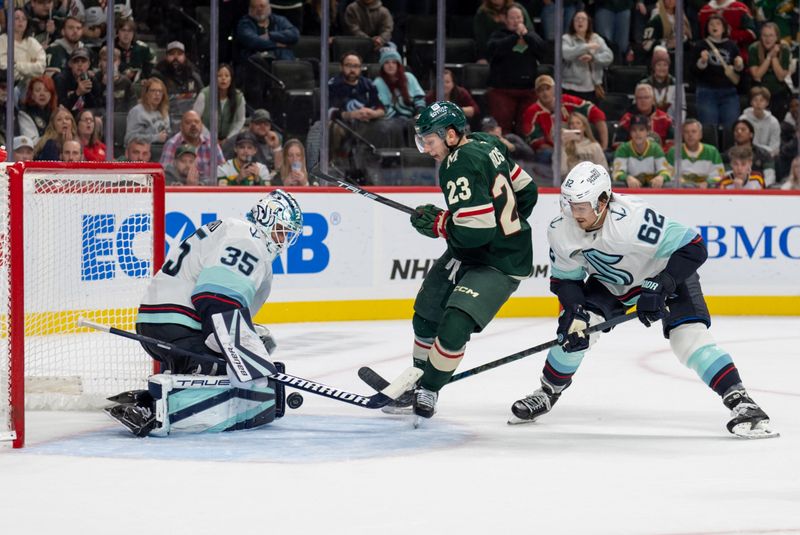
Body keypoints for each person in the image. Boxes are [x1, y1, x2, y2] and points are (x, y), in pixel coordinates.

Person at [509, 161, 776, 439]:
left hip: (663, 275)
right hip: (610, 283)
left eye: (580, 206)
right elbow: (566, 280)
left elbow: (694, 247)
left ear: (602, 201)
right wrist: (575, 311)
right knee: (575, 333)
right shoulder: (561, 228)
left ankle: (740, 400)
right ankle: (548, 391)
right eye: (568, 204)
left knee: (688, 339)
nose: (572, 213)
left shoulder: (634, 221)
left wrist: (660, 286)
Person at [106, 190, 304, 437]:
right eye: (282, 230)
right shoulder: (249, 239)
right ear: (267, 219)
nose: (284, 239)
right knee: (235, 370)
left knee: (260, 342)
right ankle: (157, 404)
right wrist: (245, 359)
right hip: (179, 326)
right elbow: (216, 298)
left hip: (159, 324)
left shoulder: (234, 231)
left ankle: (174, 383)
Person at [397, 101, 538, 420]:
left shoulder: (456, 164)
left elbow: (476, 233)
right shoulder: (486, 142)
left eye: (428, 141)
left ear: (449, 135)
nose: (426, 149)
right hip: (477, 250)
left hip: (499, 261)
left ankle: (428, 387)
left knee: (455, 323)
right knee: (427, 312)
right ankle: (418, 377)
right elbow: (528, 192)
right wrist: (505, 225)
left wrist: (440, 224)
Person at [485, 4, 547, 134]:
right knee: (502, 128)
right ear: (506, 20)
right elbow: (494, 51)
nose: (516, 21)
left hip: (528, 90)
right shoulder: (498, 35)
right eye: (512, 18)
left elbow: (543, 52)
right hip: (503, 90)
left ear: (523, 20)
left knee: (525, 128)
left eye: (519, 17)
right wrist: (515, 37)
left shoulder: (532, 36)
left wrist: (527, 36)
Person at [522, 74, 609, 162]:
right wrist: (561, 152)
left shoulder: (567, 101)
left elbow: (597, 114)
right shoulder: (531, 112)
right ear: (536, 93)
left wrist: (604, 146)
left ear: (554, 89)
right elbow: (535, 141)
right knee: (545, 154)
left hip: (577, 145)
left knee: (598, 153)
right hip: (551, 151)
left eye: (548, 89)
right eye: (541, 90)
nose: (545, 93)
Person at [690, 14, 744, 129]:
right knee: (709, 128)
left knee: (731, 127)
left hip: (728, 92)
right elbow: (693, 71)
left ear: (724, 28)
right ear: (707, 28)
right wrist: (702, 62)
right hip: (707, 91)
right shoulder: (700, 45)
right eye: (711, 24)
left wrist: (739, 65)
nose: (715, 26)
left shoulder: (732, 45)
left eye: (718, 24)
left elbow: (739, 70)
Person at [562, 10, 613, 104]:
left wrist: (593, 58)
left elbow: (609, 57)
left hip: (592, 88)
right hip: (570, 87)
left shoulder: (596, 38)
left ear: (588, 22)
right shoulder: (566, 38)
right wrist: (587, 46)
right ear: (572, 23)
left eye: (583, 19)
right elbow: (566, 54)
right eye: (577, 19)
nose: (580, 21)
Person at [162, 110, 225, 185]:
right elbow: (163, 176)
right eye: (188, 122)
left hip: (207, 192)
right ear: (181, 127)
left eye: (197, 122)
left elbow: (223, 174)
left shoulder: (212, 145)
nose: (193, 125)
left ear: (201, 126)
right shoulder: (172, 144)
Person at [612, 114, 672, 188]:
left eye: (641, 129)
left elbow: (666, 171)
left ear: (647, 131)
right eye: (634, 130)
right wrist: (627, 178)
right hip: (630, 191)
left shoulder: (655, 148)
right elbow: (617, 172)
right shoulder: (623, 149)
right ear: (630, 132)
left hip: (653, 190)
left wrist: (661, 177)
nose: (638, 133)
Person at [747, 22, 791, 120]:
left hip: (778, 92)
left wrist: (774, 57)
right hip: (759, 91)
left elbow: (780, 77)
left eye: (771, 35)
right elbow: (757, 75)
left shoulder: (784, 49)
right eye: (765, 35)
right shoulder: (754, 48)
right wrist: (768, 57)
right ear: (760, 36)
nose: (768, 39)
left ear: (777, 37)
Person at [235, 0, 300, 64]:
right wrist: (276, 44)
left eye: (262, 6)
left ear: (269, 6)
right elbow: (253, 41)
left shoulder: (279, 20)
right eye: (255, 7)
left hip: (282, 62)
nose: (259, 9)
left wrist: (270, 35)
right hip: (256, 64)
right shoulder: (244, 24)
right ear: (250, 9)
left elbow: (295, 34)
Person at [194, 64, 246, 142]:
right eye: (219, 76)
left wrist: (229, 139)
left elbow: (241, 120)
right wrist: (211, 138)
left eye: (227, 76)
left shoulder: (238, 97)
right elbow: (196, 118)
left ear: (231, 79)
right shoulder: (204, 94)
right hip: (206, 138)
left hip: (230, 140)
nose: (223, 78)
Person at [666, 118, 725, 187]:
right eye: (686, 132)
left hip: (705, 191)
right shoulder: (674, 151)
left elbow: (720, 175)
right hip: (682, 190)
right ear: (683, 135)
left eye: (693, 131)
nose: (690, 135)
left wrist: (707, 183)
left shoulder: (712, 151)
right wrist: (684, 184)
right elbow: (668, 173)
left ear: (700, 135)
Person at [372, 46, 425, 121]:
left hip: (413, 118)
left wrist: (419, 114)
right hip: (390, 121)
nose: (390, 65)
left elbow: (419, 99)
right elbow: (383, 107)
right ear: (382, 66)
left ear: (398, 65)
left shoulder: (409, 77)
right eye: (387, 62)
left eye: (394, 62)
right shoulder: (378, 82)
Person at [0, 8, 46, 91]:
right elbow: (4, 68)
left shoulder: (32, 42)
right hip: (9, 85)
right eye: (17, 18)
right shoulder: (2, 40)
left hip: (32, 86)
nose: (21, 21)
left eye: (24, 19)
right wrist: (30, 65)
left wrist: (17, 64)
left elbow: (41, 67)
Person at [617, 83, 674, 149]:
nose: (643, 101)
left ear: (653, 100)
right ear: (635, 100)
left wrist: (659, 154)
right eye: (639, 98)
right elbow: (618, 144)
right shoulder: (627, 119)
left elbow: (672, 143)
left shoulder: (665, 119)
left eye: (646, 97)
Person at [640, 46, 686, 120]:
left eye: (665, 65)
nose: (662, 68)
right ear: (654, 67)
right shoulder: (644, 84)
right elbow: (638, 106)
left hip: (671, 123)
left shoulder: (676, 84)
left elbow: (681, 108)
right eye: (659, 65)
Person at [53, 47, 103, 112]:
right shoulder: (61, 79)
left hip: (85, 117)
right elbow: (60, 107)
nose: (80, 64)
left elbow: (98, 107)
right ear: (70, 64)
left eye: (83, 61)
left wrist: (87, 92)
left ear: (89, 64)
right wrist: (77, 93)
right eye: (76, 61)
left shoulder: (92, 80)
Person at [728, 118, 775, 185]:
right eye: (736, 130)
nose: (739, 132)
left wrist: (759, 187)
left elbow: (770, 177)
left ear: (751, 134)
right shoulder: (728, 155)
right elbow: (724, 175)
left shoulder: (763, 154)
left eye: (743, 130)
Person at [125, 77, 170, 146]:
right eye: (153, 90)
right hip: (142, 151)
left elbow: (168, 132)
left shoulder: (164, 111)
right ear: (146, 93)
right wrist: (155, 138)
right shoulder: (137, 112)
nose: (157, 94)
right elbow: (130, 138)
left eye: (160, 91)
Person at [561, 111, 608, 178]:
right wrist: (562, 147)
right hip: (572, 182)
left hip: (591, 182)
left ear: (584, 127)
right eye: (572, 123)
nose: (575, 126)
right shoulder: (564, 146)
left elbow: (603, 169)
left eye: (578, 123)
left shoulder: (594, 146)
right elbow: (562, 171)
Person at [739, 87, 781, 159]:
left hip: (768, 157)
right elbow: (740, 143)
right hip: (746, 156)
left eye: (762, 100)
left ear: (767, 103)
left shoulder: (774, 122)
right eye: (755, 100)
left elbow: (775, 148)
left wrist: (761, 152)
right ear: (751, 102)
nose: (758, 103)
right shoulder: (743, 120)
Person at [115, 17, 156, 83]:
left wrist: (144, 78)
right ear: (117, 32)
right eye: (123, 30)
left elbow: (149, 70)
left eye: (129, 31)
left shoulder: (143, 48)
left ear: (133, 33)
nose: (126, 34)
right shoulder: (110, 48)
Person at [18, 75, 58, 140]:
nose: (42, 94)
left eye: (46, 90)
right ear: (31, 95)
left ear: (51, 94)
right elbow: (32, 141)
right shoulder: (24, 113)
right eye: (37, 90)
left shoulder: (56, 112)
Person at [98, 45, 136, 113]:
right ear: (100, 61)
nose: (109, 64)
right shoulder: (95, 80)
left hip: (121, 118)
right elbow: (95, 106)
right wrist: (103, 86)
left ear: (119, 62)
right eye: (105, 60)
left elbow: (132, 104)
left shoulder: (126, 82)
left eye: (113, 60)